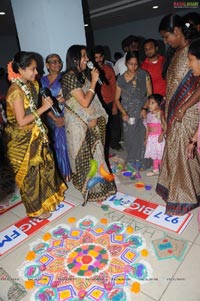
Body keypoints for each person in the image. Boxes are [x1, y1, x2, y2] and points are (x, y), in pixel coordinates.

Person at [5, 51, 67, 219]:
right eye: (32, 69)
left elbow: (35, 108)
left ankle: (46, 202)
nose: (36, 72)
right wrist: (44, 108)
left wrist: (55, 102)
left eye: (36, 69)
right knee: (30, 178)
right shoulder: (15, 91)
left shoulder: (33, 85)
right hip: (21, 142)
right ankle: (35, 210)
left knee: (44, 169)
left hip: (36, 134)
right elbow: (22, 121)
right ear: (21, 69)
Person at [61, 45, 117, 205]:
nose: (87, 59)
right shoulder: (69, 77)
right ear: (74, 59)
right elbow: (85, 102)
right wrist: (93, 81)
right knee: (84, 157)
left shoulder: (81, 75)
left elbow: (91, 100)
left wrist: (91, 80)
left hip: (90, 121)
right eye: (84, 56)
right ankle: (90, 191)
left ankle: (102, 188)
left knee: (97, 155)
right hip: (78, 125)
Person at [156, 38, 200, 216]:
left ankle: (188, 194)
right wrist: (194, 138)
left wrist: (183, 107)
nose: (189, 66)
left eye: (190, 60)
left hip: (190, 118)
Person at [114, 50, 152, 168]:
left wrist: (145, 108)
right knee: (129, 138)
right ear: (126, 63)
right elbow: (116, 99)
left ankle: (143, 162)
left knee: (142, 136)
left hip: (142, 110)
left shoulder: (144, 75)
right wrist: (123, 112)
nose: (133, 67)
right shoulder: (120, 78)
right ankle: (132, 160)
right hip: (127, 112)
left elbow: (150, 94)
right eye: (130, 64)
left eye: (135, 64)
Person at [158, 14, 196, 118]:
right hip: (173, 112)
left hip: (189, 113)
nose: (165, 42)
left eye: (166, 37)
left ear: (176, 31)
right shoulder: (174, 54)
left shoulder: (194, 51)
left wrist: (184, 107)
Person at [40, 53, 71, 182]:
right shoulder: (42, 81)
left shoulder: (65, 77)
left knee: (62, 145)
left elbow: (72, 97)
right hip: (49, 116)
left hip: (65, 115)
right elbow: (41, 103)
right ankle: (58, 172)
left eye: (59, 61)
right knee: (52, 146)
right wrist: (54, 117)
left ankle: (66, 171)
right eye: (53, 62)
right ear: (47, 65)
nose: (57, 64)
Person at [90, 45, 122, 156]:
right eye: (96, 57)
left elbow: (114, 86)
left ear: (103, 57)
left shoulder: (108, 69)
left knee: (114, 123)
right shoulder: (90, 72)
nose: (98, 60)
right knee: (101, 125)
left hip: (109, 100)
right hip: (97, 103)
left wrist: (114, 104)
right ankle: (104, 146)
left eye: (100, 57)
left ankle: (115, 144)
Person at [144, 94, 167, 176]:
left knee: (159, 154)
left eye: (152, 103)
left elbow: (166, 126)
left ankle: (163, 171)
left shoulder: (160, 114)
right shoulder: (148, 115)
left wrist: (162, 134)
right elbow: (147, 128)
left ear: (159, 104)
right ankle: (156, 170)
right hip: (151, 139)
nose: (150, 105)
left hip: (158, 138)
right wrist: (146, 139)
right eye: (149, 103)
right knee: (154, 155)